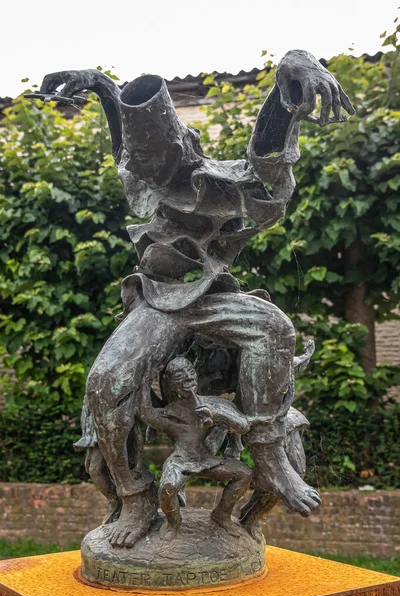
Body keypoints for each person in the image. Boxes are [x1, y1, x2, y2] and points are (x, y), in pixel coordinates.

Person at [38, 51, 354, 548]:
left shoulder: (223, 179)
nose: (143, 167)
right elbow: (130, 144)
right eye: (142, 160)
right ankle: (137, 497)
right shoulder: (143, 173)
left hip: (211, 297)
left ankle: (269, 456)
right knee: (106, 379)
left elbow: (268, 164)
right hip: (157, 302)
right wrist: (101, 86)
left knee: (274, 328)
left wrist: (285, 85)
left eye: (157, 156)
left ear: (187, 148)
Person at [141, 356, 269, 539]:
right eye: (180, 375)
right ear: (170, 384)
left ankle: (222, 515)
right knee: (167, 488)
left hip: (207, 458)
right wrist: (144, 377)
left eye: (191, 372)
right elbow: (146, 413)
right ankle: (173, 523)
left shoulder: (215, 404)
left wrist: (217, 416)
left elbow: (243, 426)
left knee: (244, 474)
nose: (188, 378)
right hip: (181, 460)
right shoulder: (170, 412)